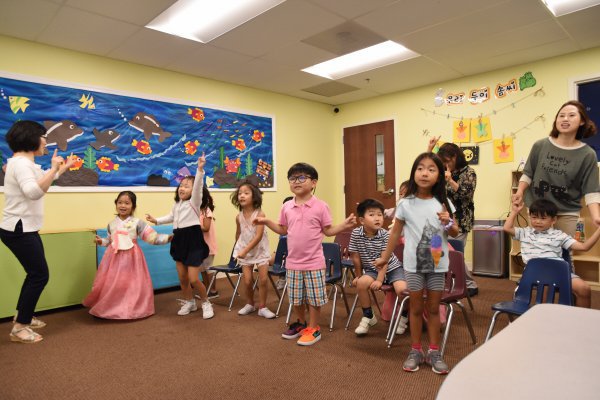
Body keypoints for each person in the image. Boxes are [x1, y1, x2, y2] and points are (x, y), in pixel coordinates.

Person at [255, 162, 356, 346]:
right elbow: (283, 229)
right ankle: (301, 323)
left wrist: (344, 225)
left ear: (313, 182)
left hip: (314, 262)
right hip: (293, 262)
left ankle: (313, 327)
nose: (296, 181)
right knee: (296, 297)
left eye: (302, 177)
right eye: (292, 178)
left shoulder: (321, 206)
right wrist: (267, 221)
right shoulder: (287, 206)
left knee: (314, 298)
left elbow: (328, 230)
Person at [375, 152, 458, 374]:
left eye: (431, 169)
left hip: (437, 265)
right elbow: (395, 233)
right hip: (413, 266)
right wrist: (384, 257)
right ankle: (415, 350)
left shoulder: (444, 202)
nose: (424, 173)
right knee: (415, 308)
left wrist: (448, 221)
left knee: (433, 308)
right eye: (420, 168)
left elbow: (455, 231)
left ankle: (434, 352)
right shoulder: (405, 203)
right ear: (414, 173)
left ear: (439, 175)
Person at [512, 101, 599, 304]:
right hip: (539, 210)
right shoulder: (541, 145)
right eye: (561, 115)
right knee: (539, 253)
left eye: (571, 115)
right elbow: (528, 173)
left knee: (564, 256)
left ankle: (568, 302)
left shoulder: (587, 154)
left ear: (582, 122)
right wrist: (520, 191)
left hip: (566, 211)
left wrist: (596, 216)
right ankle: (540, 299)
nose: (565, 119)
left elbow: (591, 190)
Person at [0, 120, 74, 343]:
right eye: (43, 137)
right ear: (31, 138)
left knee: (34, 274)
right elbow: (33, 192)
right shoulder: (21, 164)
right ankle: (19, 328)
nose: (45, 141)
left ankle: (22, 316)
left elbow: (43, 182)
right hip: (19, 228)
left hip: (24, 228)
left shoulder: (24, 164)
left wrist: (60, 169)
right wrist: (53, 169)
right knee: (40, 275)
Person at [146, 154, 214, 319]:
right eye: (181, 185)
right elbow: (171, 217)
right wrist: (156, 220)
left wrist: (200, 169)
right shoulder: (177, 205)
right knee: (183, 278)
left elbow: (197, 187)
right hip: (179, 240)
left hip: (193, 241)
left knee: (193, 278)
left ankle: (206, 302)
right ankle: (189, 302)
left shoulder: (194, 203)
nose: (182, 188)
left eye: (187, 186)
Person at [84, 191, 171, 319]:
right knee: (115, 282)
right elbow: (110, 241)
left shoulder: (138, 223)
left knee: (132, 282)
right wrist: (101, 241)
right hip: (114, 258)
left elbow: (151, 237)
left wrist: (166, 238)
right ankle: (113, 306)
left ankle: (132, 307)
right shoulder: (111, 224)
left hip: (132, 258)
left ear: (133, 206)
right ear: (116, 204)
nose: (123, 205)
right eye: (120, 202)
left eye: (127, 203)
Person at [504, 199, 600, 307]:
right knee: (546, 286)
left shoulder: (559, 235)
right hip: (534, 273)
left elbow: (584, 247)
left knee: (584, 288)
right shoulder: (525, 233)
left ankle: (581, 317)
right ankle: (543, 313)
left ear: (553, 220)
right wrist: (514, 211)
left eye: (543, 218)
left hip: (558, 272)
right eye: (534, 217)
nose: (538, 221)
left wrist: (599, 230)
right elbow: (507, 228)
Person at [428, 138, 478, 296]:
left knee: (454, 252)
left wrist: (450, 180)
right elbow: (427, 169)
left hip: (461, 218)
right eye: (443, 161)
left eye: (447, 161)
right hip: (443, 216)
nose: (445, 164)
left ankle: (469, 284)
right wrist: (430, 149)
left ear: (455, 157)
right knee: (444, 251)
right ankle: (450, 282)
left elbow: (466, 195)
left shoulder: (469, 172)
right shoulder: (443, 170)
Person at [349, 199, 407, 336]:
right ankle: (368, 316)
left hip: (392, 268)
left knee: (402, 290)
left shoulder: (385, 234)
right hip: (372, 269)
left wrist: (380, 280)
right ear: (362, 220)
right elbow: (355, 257)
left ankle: (404, 316)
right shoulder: (356, 233)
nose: (377, 218)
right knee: (361, 283)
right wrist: (358, 276)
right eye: (372, 215)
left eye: (380, 215)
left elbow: (384, 260)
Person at [230, 180, 275, 318]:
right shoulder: (238, 217)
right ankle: (250, 304)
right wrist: (238, 249)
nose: (242, 196)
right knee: (247, 280)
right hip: (245, 252)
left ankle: (262, 307)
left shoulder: (260, 214)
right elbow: (239, 234)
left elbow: (258, 236)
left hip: (260, 250)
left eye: (246, 193)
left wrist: (244, 250)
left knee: (263, 280)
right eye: (240, 193)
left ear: (254, 196)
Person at [199, 185, 219, 299]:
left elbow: (206, 228)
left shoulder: (206, 211)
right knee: (202, 268)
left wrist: (193, 225)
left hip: (208, 246)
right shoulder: (197, 211)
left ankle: (213, 290)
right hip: (200, 246)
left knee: (208, 268)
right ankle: (207, 289)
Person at [270, 196, 293, 291]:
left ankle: (284, 278)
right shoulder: (282, 224)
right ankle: (282, 277)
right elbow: (281, 244)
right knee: (271, 260)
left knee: (285, 261)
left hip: (294, 253)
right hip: (283, 252)